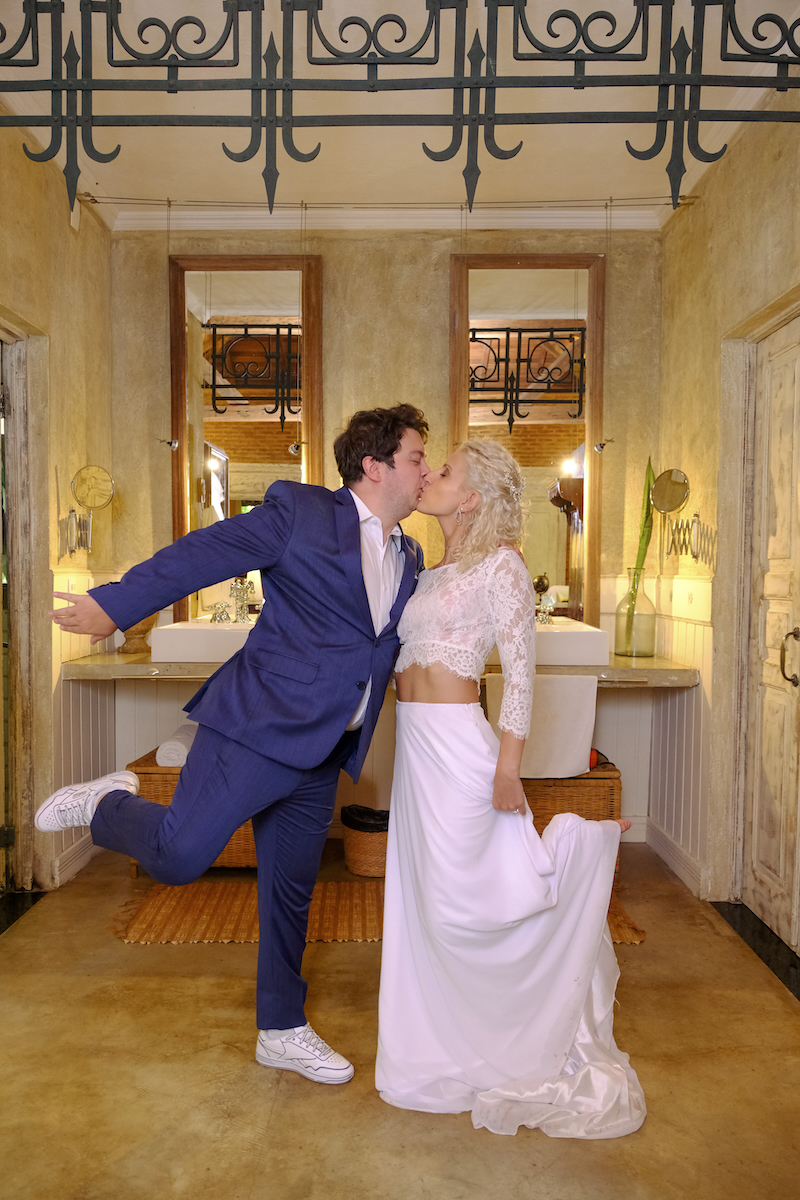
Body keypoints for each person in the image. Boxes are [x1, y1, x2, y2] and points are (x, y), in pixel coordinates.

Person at [37, 404, 430, 1086]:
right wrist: (115, 605)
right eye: (417, 458)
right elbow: (206, 553)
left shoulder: (410, 554)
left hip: (325, 751)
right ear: (375, 465)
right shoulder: (302, 512)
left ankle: (281, 1029)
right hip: (254, 728)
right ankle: (107, 805)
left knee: (290, 898)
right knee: (178, 857)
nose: (426, 471)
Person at [375, 439, 646, 1137]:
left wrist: (507, 768)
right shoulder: (428, 571)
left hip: (462, 750)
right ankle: (435, 1044)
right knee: (430, 904)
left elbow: (522, 678)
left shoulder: (503, 566)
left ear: (471, 498)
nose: (430, 475)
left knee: (476, 900)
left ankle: (584, 848)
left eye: (445, 472)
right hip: (415, 756)